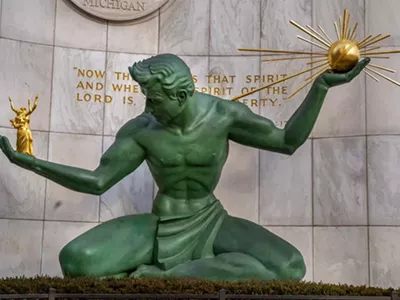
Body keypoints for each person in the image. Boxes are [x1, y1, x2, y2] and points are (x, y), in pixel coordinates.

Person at [0, 53, 370, 281]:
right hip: (161, 223)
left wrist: (320, 87)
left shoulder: (224, 116)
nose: (148, 108)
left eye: (155, 100)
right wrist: (32, 163)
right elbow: (98, 181)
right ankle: (200, 270)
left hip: (211, 221)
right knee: (76, 260)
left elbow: (287, 141)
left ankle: (163, 277)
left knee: (290, 267)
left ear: (181, 95)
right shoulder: (142, 130)